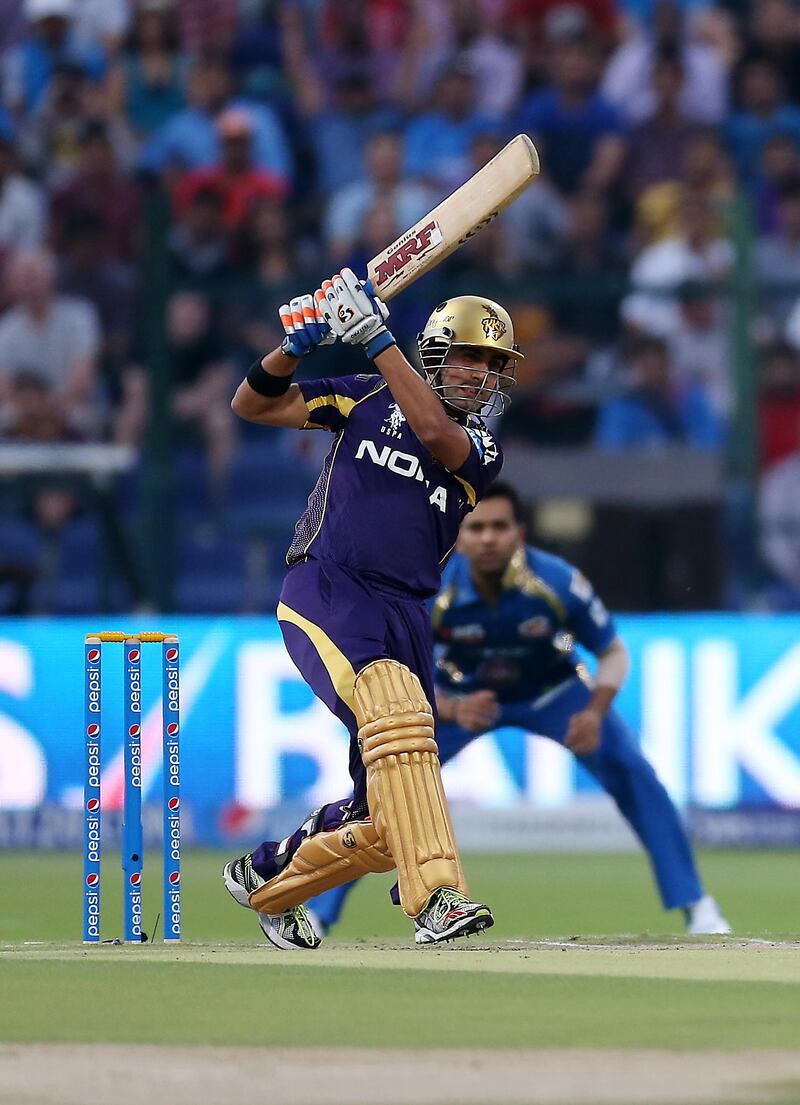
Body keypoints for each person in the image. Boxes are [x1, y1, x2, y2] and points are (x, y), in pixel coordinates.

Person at [222, 269, 518, 948]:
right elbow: (252, 405)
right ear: (438, 354)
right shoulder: (361, 396)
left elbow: (438, 438)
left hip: (407, 613)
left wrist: (373, 337)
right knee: (397, 708)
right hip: (329, 587)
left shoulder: (484, 449)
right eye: (471, 355)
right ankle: (438, 899)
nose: (482, 373)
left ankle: (268, 877)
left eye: (495, 363)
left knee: (386, 816)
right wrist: (291, 348)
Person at [308, 482, 731, 937]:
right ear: (459, 534)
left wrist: (593, 714)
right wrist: (450, 709)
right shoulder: (433, 586)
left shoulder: (558, 582)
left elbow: (614, 655)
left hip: (554, 692)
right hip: (463, 697)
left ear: (519, 533)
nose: (488, 538)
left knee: (634, 772)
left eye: (499, 526)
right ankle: (317, 910)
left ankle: (698, 906)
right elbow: (400, 665)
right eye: (476, 528)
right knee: (382, 789)